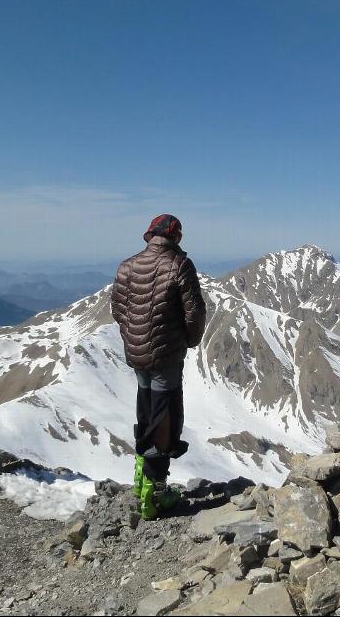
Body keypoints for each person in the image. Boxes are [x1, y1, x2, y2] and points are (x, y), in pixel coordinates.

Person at [111, 214, 207, 520]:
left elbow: (117, 308)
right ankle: (157, 491)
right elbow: (194, 312)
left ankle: (141, 477)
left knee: (146, 407)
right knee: (165, 415)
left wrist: (132, 336)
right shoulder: (179, 265)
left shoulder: (127, 266)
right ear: (176, 237)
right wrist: (189, 341)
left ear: (150, 235)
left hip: (137, 354)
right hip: (166, 354)